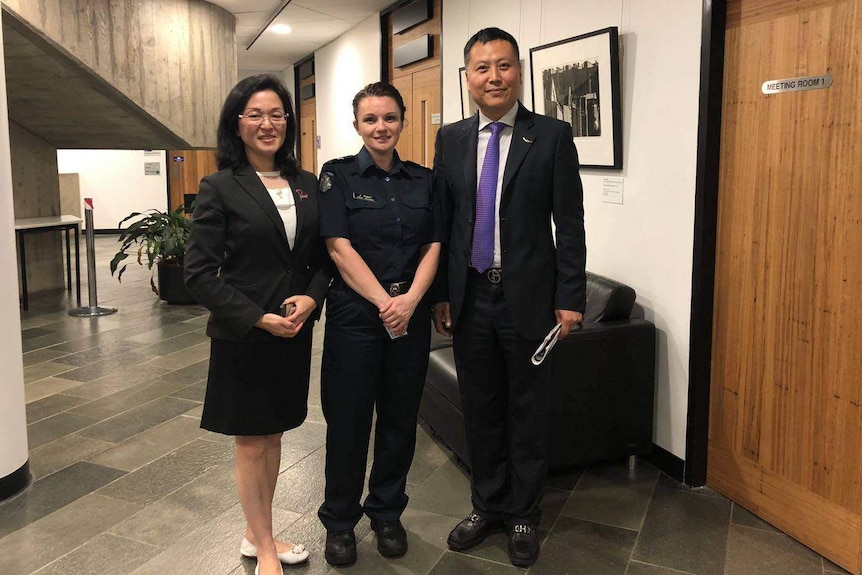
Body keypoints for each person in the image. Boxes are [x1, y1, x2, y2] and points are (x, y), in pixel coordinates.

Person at [431, 28, 587, 567]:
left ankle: (523, 514)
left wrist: (571, 297)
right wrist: (442, 296)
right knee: (481, 409)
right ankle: (487, 505)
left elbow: (569, 223)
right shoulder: (450, 140)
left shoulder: (550, 136)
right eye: (482, 67)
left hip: (530, 301)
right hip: (470, 296)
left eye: (503, 66)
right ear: (467, 77)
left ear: (518, 72)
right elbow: (446, 223)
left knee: (527, 410)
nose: (493, 77)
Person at [184, 74, 331, 575]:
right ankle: (264, 548)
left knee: (274, 436)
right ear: (238, 124)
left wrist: (311, 301)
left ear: (289, 122)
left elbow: (321, 259)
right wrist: (256, 317)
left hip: (292, 331)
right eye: (255, 115)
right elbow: (198, 274)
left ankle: (256, 532)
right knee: (251, 441)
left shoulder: (307, 184)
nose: (267, 124)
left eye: (276, 114)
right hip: (246, 334)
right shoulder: (220, 186)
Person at [316, 82, 441, 567]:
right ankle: (340, 522)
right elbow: (337, 247)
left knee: (398, 421)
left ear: (402, 121)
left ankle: (387, 514)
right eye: (370, 120)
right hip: (356, 319)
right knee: (347, 422)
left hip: (410, 317)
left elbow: (435, 244)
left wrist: (409, 300)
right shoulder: (338, 176)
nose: (380, 127)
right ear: (356, 126)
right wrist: (384, 302)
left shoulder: (423, 180)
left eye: (389, 118)